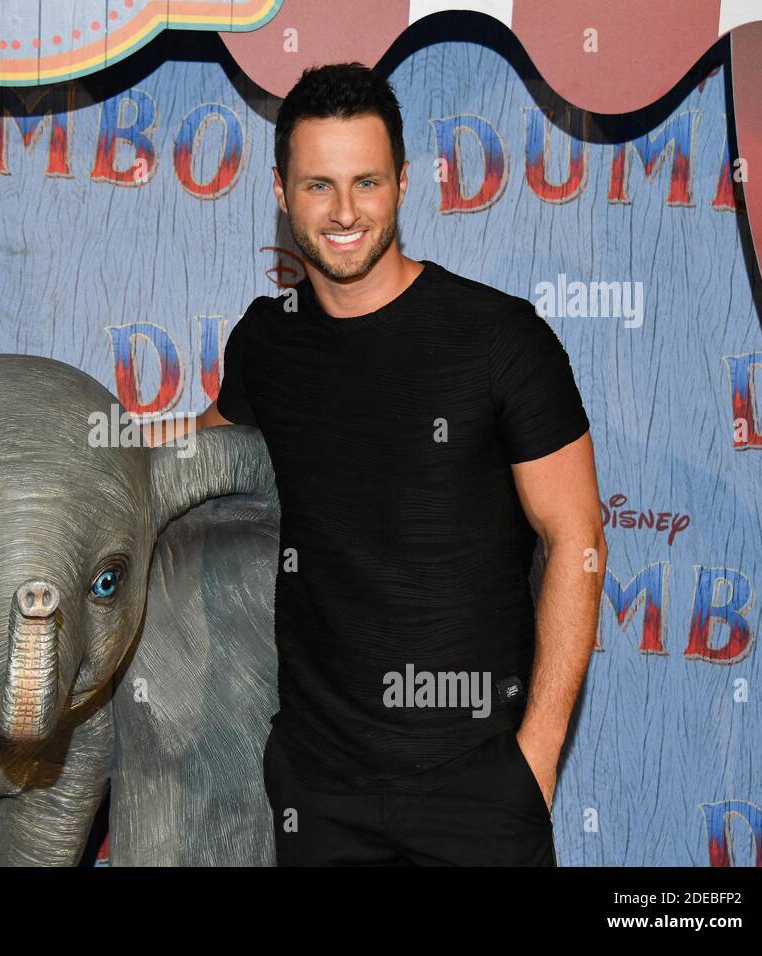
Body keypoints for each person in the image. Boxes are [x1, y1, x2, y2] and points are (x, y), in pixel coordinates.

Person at [143, 62, 605, 865]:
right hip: (318, 796)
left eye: (366, 181)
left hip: (479, 792)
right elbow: (192, 449)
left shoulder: (500, 340)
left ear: (403, 182)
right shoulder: (270, 340)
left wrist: (534, 762)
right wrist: (69, 444)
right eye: (319, 186)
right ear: (282, 193)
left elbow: (578, 538)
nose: (346, 211)